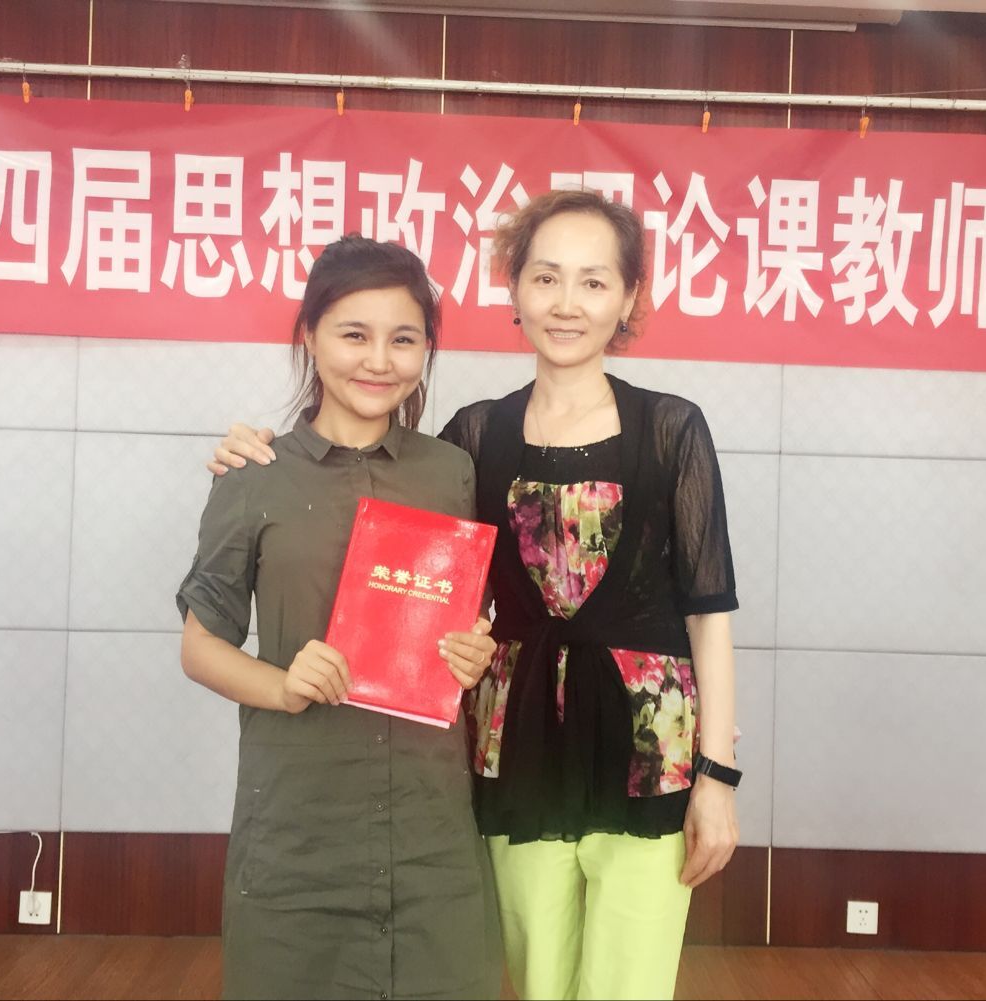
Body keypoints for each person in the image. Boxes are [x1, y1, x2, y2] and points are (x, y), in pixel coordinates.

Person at [210, 190, 741, 1001]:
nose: (567, 303)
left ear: (630, 296)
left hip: (648, 755)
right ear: (515, 288)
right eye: (547, 278)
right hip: (513, 748)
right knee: (535, 983)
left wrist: (718, 776)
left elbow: (708, 617)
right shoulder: (471, 439)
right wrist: (259, 455)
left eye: (594, 282)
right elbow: (408, 557)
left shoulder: (672, 428)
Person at [177, 235, 503, 1001]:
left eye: (404, 339)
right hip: (299, 836)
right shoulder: (254, 475)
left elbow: (471, 615)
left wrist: (474, 652)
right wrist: (282, 684)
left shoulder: (451, 472)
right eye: (354, 334)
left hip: (431, 836)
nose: (378, 360)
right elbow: (200, 646)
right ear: (310, 336)